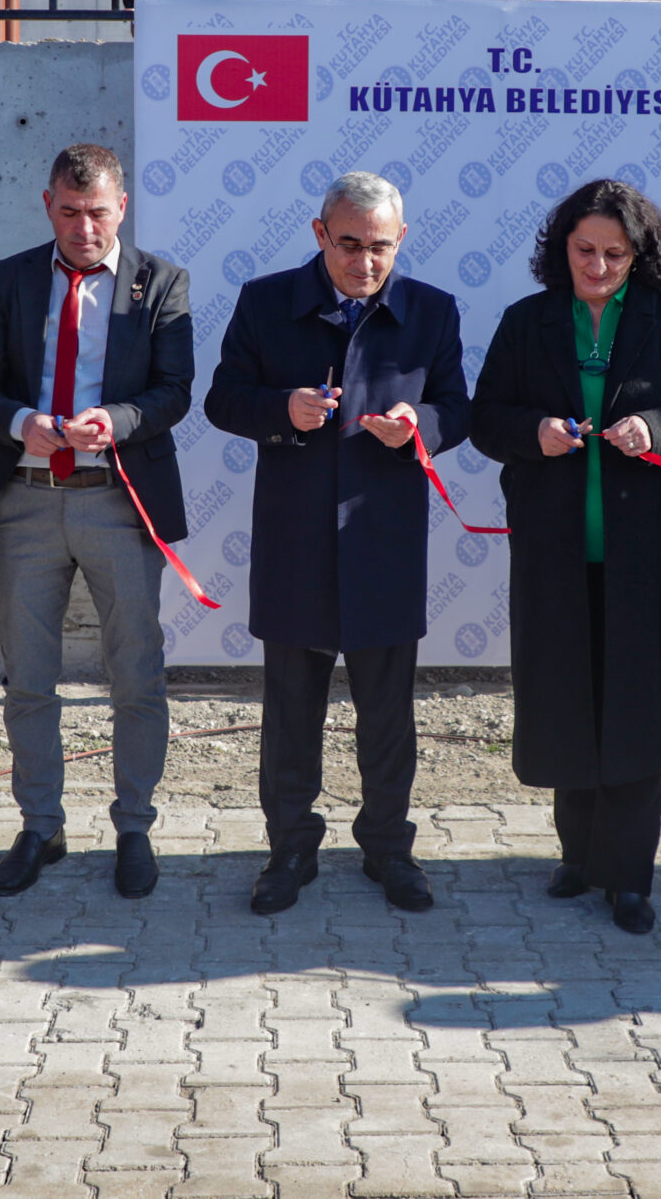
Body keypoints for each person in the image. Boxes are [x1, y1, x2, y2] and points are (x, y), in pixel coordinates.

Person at [203, 171, 470, 917]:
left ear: (401, 241)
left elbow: (459, 406)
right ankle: (290, 845)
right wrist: (282, 409)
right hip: (296, 543)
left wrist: (422, 426)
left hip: (382, 540)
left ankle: (388, 844)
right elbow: (222, 399)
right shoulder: (266, 301)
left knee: (388, 712)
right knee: (291, 710)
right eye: (349, 244)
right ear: (319, 233)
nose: (364, 262)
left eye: (379, 247)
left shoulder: (431, 312)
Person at [471, 178, 661, 934]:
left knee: (635, 712)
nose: (598, 265)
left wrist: (654, 426)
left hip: (647, 556)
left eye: (615, 254)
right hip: (555, 549)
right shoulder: (527, 321)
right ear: (562, 249)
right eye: (584, 250)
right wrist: (535, 433)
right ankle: (577, 856)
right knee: (565, 701)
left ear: (638, 255)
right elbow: (487, 418)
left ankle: (629, 875)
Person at [0, 144, 193, 900]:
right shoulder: (12, 277)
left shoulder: (162, 283)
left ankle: (134, 825)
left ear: (122, 206)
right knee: (28, 673)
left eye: (98, 212)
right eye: (69, 212)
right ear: (47, 204)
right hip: (27, 497)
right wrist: (21, 419)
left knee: (136, 671)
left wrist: (118, 420)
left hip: (119, 499)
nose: (84, 227)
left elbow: (174, 391)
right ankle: (41, 825)